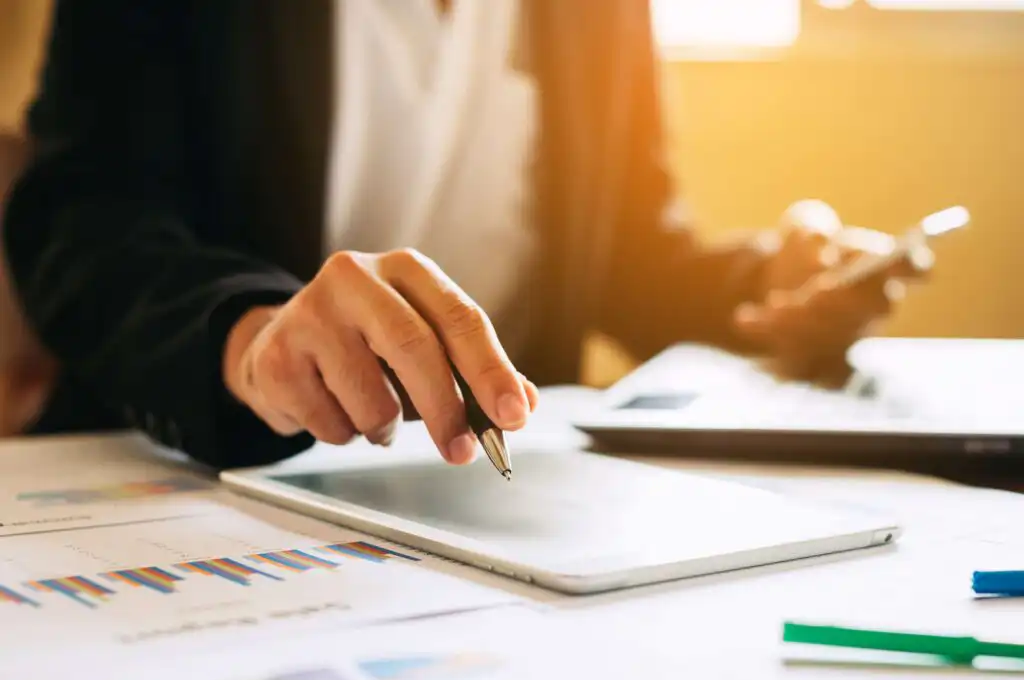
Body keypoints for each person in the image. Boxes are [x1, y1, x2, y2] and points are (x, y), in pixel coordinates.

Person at [0, 0, 928, 470]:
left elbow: (628, 252)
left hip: (500, 500)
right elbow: (77, 213)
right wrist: (251, 337)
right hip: (205, 492)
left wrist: (771, 287)